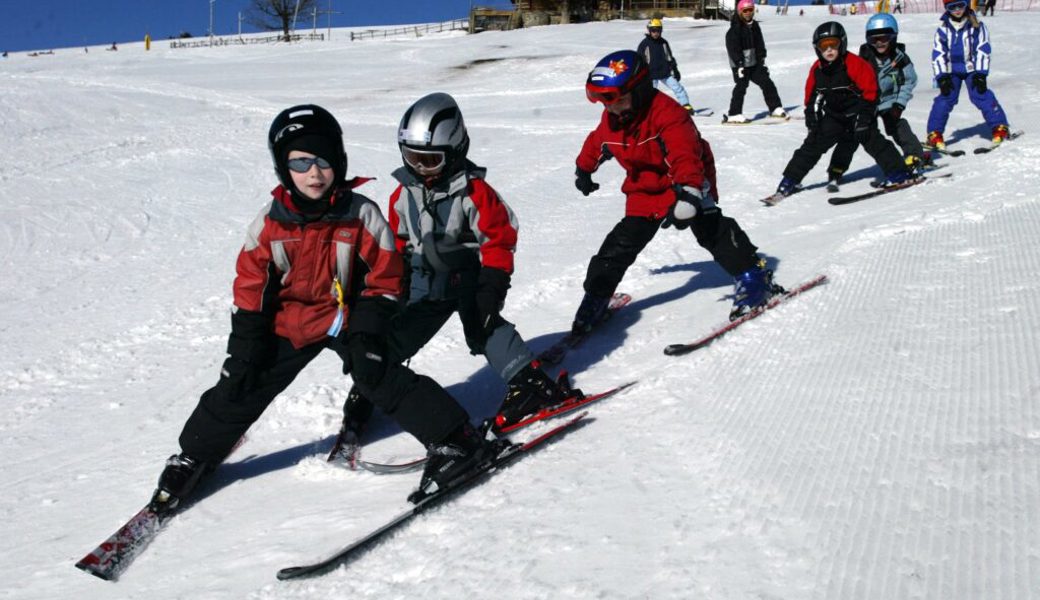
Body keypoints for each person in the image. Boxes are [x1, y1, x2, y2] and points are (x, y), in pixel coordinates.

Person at [150, 104, 494, 513]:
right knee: (242, 382)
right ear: (283, 168)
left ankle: (456, 439)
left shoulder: (360, 214)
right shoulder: (269, 224)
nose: (314, 173)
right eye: (300, 162)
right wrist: (244, 349)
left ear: (340, 161)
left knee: (376, 369)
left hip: (347, 318)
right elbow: (250, 290)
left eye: (324, 161)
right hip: (290, 322)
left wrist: (367, 330)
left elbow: (386, 275)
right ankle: (194, 455)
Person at [334, 92, 574, 455]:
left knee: (483, 324)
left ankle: (530, 383)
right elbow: (396, 242)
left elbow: (500, 236)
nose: (420, 169)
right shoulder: (403, 194)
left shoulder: (473, 191)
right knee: (394, 333)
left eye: (430, 161)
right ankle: (374, 380)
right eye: (412, 159)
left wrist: (492, 284)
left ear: (456, 151)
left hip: (468, 279)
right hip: (421, 283)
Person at [573, 49, 783, 328]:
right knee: (619, 245)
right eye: (602, 102)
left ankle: (753, 276)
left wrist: (690, 193)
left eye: (616, 100)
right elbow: (599, 141)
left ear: (640, 90)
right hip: (644, 189)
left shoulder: (669, 115)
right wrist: (584, 169)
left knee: (710, 229)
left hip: (689, 178)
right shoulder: (613, 117)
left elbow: (685, 155)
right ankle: (597, 297)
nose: (610, 108)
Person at [771, 22, 913, 199]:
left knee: (872, 139)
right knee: (813, 144)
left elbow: (871, 93)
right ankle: (789, 181)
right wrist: (812, 117)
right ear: (818, 49)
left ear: (842, 43)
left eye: (833, 45)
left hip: (859, 112)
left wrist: (864, 118)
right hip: (834, 116)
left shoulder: (855, 64)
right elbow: (812, 97)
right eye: (824, 46)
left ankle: (899, 174)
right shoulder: (818, 69)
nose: (829, 50)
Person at [825, 13, 928, 191]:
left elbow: (909, 81)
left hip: (890, 101)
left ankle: (914, 156)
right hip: (867, 102)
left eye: (884, 38)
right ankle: (837, 167)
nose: (879, 43)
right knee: (856, 130)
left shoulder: (900, 59)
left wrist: (899, 103)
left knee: (896, 125)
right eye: (874, 40)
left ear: (893, 36)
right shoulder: (863, 59)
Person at [925, 0, 1010, 149]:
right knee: (946, 98)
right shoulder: (943, 29)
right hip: (952, 70)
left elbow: (983, 48)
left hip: (972, 69)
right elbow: (938, 53)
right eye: (952, 7)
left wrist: (981, 73)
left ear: (967, 5)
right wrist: (942, 76)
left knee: (981, 94)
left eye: (961, 6)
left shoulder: (976, 25)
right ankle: (934, 134)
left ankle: (1000, 127)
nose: (957, 10)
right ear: (946, 8)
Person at [723, 0, 787, 123]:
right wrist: (739, 65)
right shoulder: (734, 30)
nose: (748, 13)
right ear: (740, 11)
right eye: (745, 11)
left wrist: (762, 59)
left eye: (750, 10)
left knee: (767, 83)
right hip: (740, 65)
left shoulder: (755, 26)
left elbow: (759, 44)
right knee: (741, 86)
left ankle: (775, 108)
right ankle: (734, 114)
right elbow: (733, 49)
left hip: (754, 63)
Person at [637, 18, 695, 115]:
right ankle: (646, 111)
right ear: (649, 31)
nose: (656, 33)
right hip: (650, 74)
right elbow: (640, 59)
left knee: (678, 88)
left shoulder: (663, 43)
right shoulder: (644, 44)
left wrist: (675, 69)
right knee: (649, 93)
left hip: (665, 72)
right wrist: (641, 74)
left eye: (658, 31)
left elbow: (669, 57)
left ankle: (686, 105)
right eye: (653, 31)